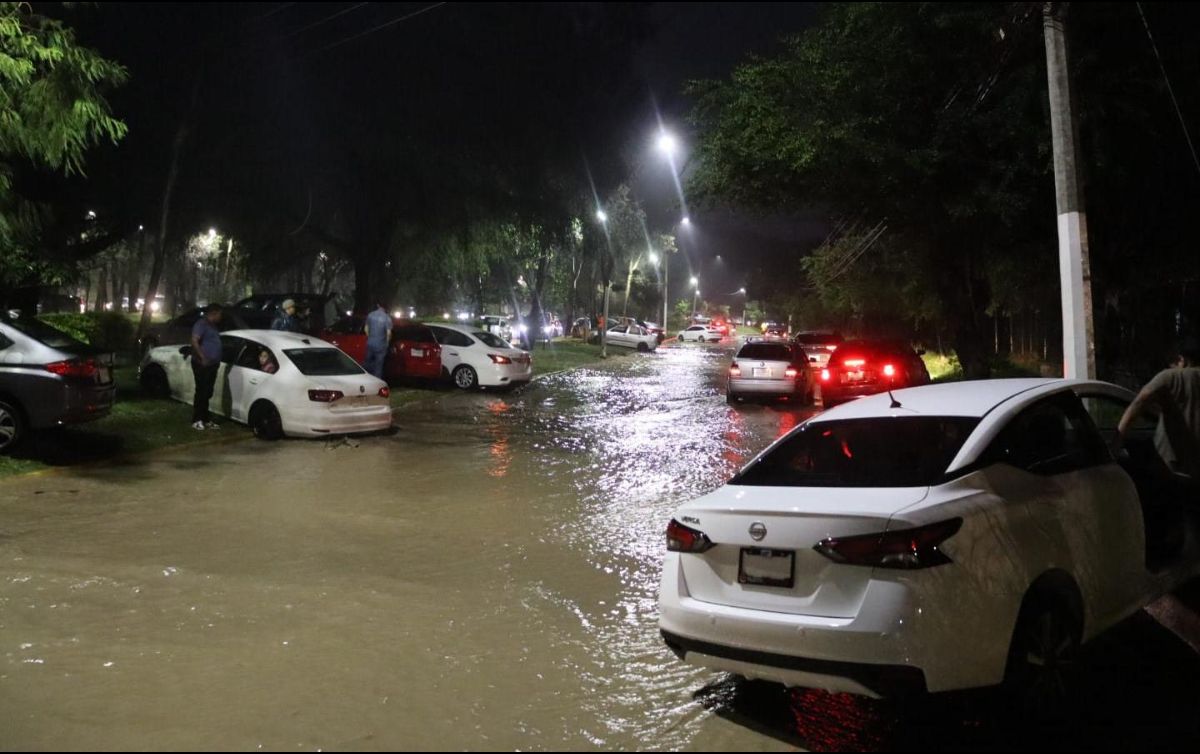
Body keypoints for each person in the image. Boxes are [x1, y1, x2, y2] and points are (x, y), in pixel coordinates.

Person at [1117, 337, 1200, 478]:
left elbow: (1139, 402)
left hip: (1169, 467)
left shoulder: (1170, 377)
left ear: (1182, 360)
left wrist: (1116, 442)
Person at [190, 304, 223, 431]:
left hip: (212, 364)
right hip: (202, 364)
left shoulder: (213, 326)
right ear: (213, 313)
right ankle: (197, 419)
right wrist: (202, 357)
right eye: (219, 314)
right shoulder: (201, 324)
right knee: (201, 391)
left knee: (208, 392)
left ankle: (205, 418)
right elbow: (194, 340)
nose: (221, 317)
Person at [364, 302, 392, 380]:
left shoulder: (370, 315)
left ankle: (365, 379)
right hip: (381, 345)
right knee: (378, 365)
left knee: (367, 362)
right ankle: (376, 382)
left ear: (378, 305)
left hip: (370, 343)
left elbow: (366, 329)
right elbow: (388, 333)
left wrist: (370, 337)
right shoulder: (387, 318)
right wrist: (387, 343)